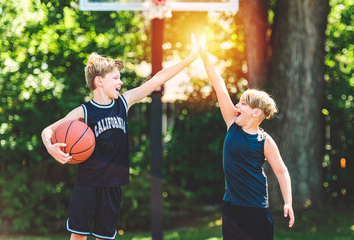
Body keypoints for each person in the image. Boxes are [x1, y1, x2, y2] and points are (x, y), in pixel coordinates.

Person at [41, 35, 198, 240]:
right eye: (115, 78)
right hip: (87, 183)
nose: (120, 82)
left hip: (113, 184)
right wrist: (50, 146)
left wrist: (189, 59)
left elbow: (157, 79)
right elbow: (48, 130)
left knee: (104, 237)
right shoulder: (84, 111)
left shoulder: (124, 103)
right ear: (99, 81)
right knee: (78, 236)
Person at [198, 35, 295, 240]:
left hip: (255, 209)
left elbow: (281, 170)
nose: (236, 106)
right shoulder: (232, 125)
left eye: (242, 103)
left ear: (256, 113)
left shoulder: (264, 141)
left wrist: (288, 202)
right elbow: (219, 85)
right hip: (231, 206)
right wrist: (205, 57)